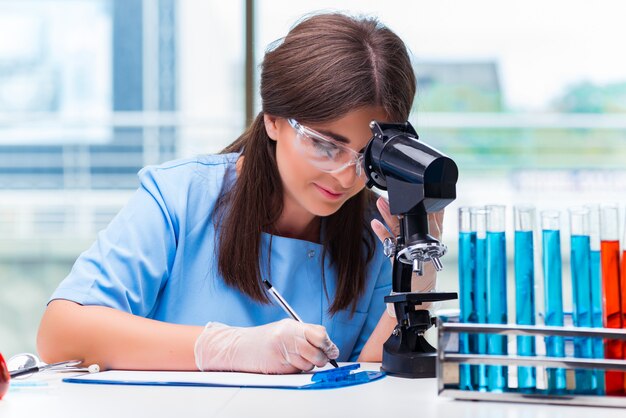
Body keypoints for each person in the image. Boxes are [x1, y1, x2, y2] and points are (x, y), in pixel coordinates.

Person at [37, 12, 442, 374]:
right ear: (273, 120)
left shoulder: (376, 231)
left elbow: (377, 381)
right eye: (324, 144)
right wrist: (227, 348)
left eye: (365, 158)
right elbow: (61, 334)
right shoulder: (180, 197)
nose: (344, 176)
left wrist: (414, 281)